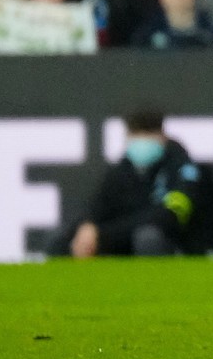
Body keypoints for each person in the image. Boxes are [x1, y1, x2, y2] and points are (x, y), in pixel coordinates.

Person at [56, 110, 203, 258]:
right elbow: (98, 206)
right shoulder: (122, 170)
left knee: (147, 238)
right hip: (120, 239)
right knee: (62, 238)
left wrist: (103, 233)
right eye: (137, 135)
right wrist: (88, 228)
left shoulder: (180, 168)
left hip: (171, 241)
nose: (142, 141)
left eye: (148, 135)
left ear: (163, 137)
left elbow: (168, 216)